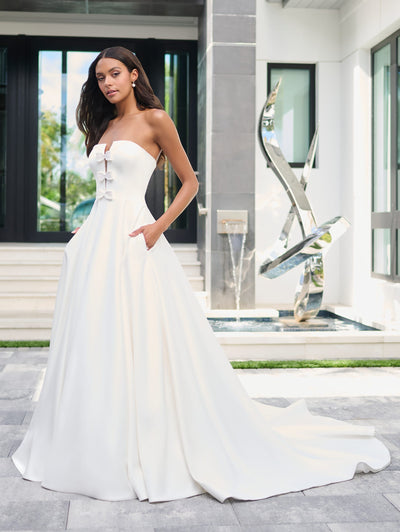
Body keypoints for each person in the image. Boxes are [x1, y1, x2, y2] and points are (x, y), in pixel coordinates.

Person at [11, 46, 390, 504]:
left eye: (114, 74)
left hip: (137, 238)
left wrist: (156, 228)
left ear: (134, 75)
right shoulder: (105, 126)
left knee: (143, 340)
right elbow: (105, 190)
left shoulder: (156, 120)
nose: (107, 83)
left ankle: (146, 436)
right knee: (95, 338)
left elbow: (190, 182)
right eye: (99, 78)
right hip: (96, 244)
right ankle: (92, 440)